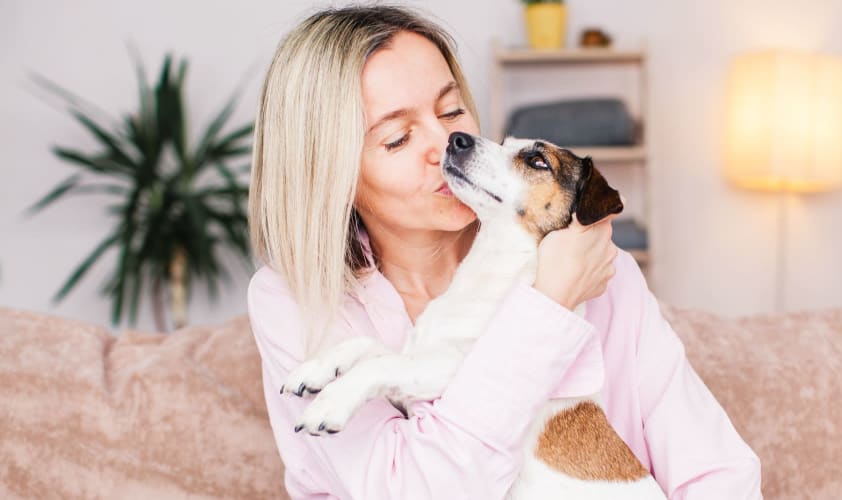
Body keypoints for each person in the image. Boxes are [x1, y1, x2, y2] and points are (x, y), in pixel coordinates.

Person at [246, 5, 761, 499]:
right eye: (399, 138)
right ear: (329, 172)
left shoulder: (597, 269)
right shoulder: (295, 299)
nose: (446, 142)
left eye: (452, 110)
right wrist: (548, 302)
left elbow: (716, 472)